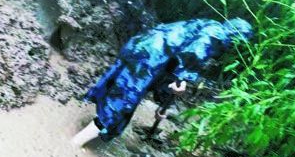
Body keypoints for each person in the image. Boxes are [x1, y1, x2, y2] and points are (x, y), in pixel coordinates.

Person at [71, 18, 253, 147]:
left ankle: (89, 133)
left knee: (117, 89)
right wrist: (182, 80)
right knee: (122, 104)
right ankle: (75, 143)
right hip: (149, 59)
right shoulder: (217, 36)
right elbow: (191, 54)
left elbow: (173, 62)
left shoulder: (210, 24)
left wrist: (163, 100)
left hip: (142, 46)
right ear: (237, 37)